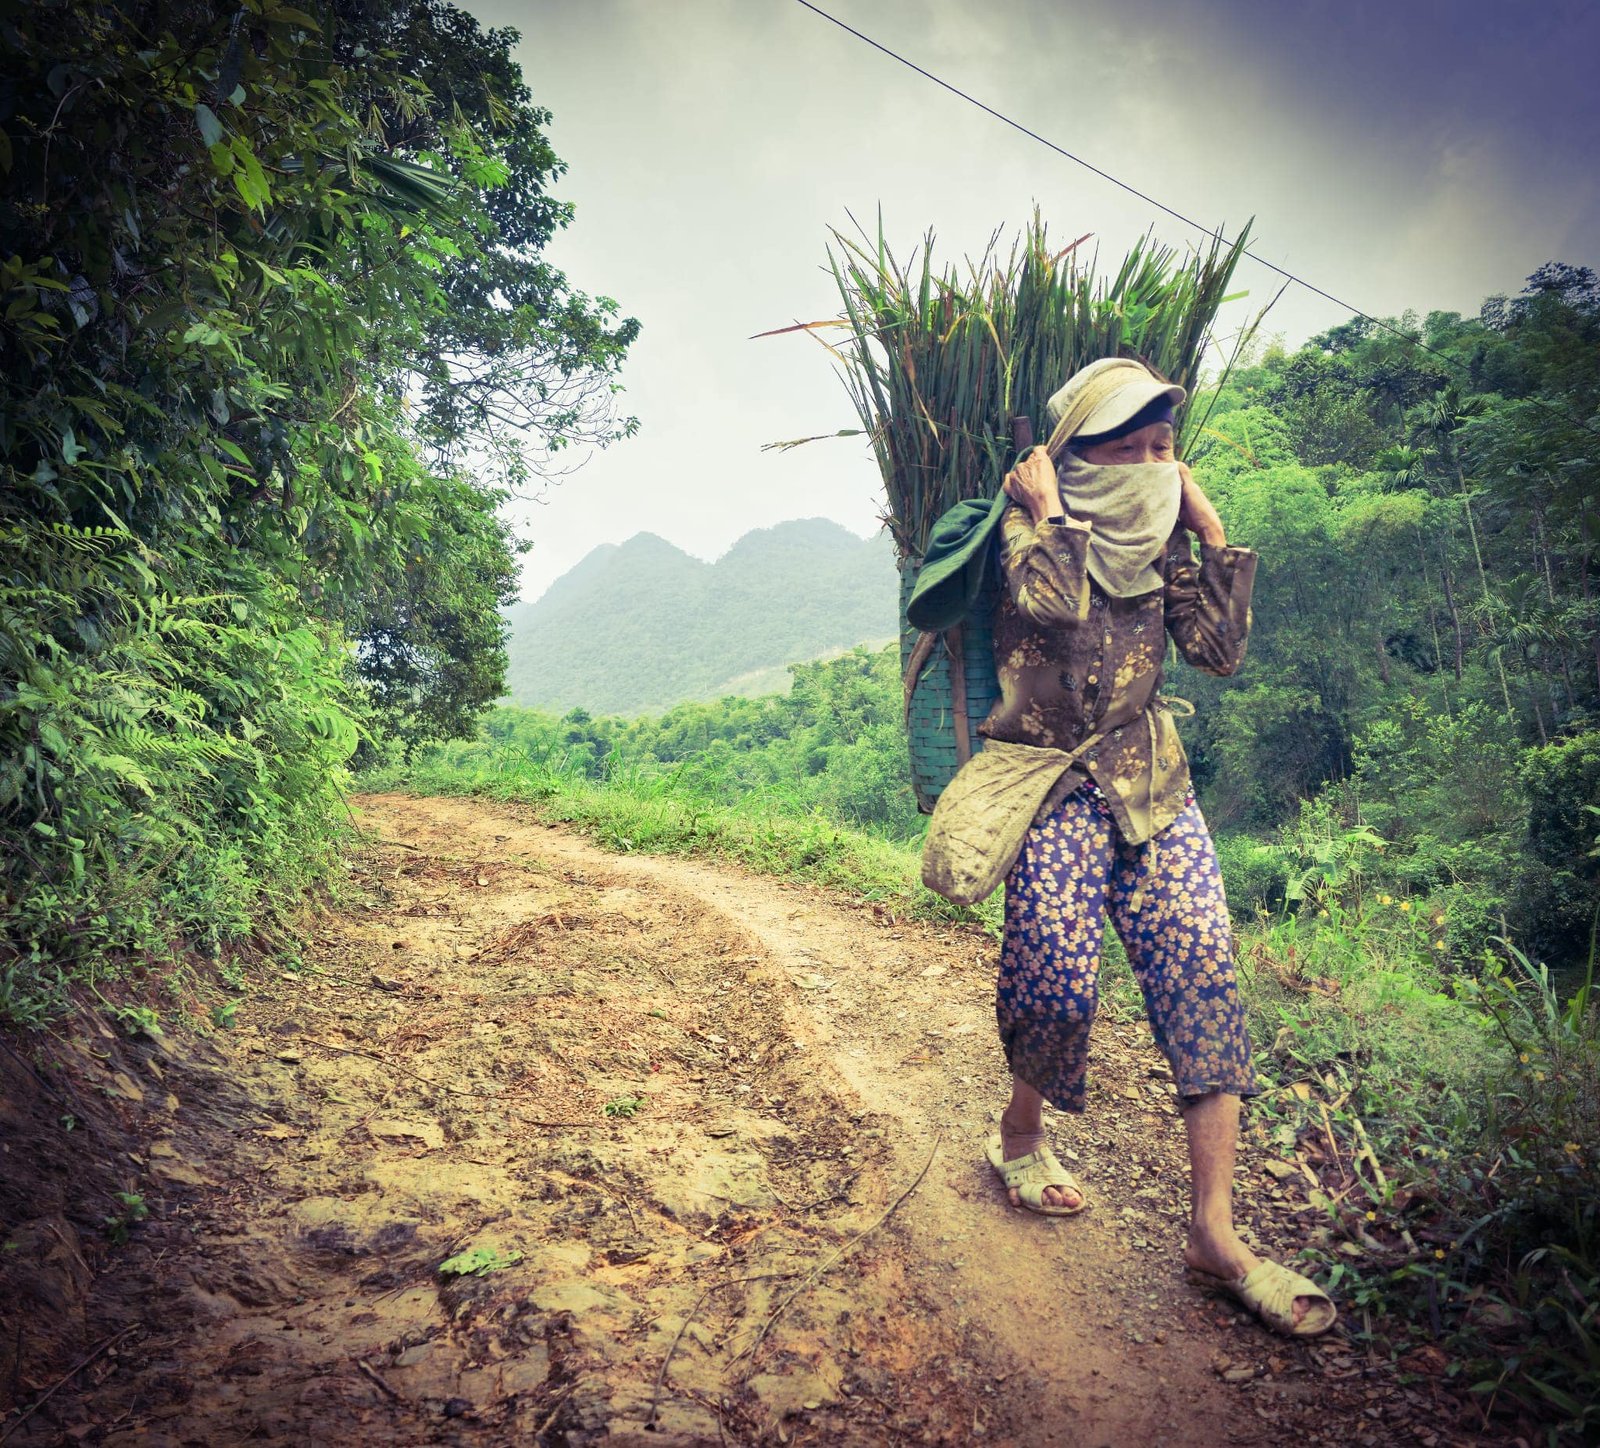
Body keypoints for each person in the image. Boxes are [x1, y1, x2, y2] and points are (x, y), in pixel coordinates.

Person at [947, 356, 1336, 1337]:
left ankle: (1214, 1232)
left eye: (1167, 448)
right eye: (1133, 450)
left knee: (1204, 971)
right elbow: (1051, 606)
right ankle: (1018, 1131)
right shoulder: (1024, 528)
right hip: (1049, 781)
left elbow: (1216, 651)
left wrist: (1207, 532)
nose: (1156, 466)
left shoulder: (1166, 541)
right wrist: (1050, 513)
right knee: (1056, 981)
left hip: (1152, 778)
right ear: (1075, 457)